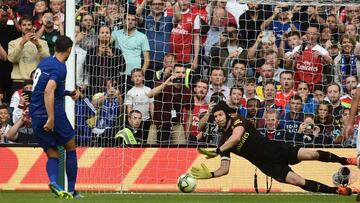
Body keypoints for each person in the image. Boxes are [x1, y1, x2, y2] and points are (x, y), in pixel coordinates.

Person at [191, 101, 355, 196]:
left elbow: (236, 138)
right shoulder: (223, 141)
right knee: (297, 181)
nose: (218, 118)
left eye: (220, 115)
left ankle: (346, 160)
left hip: (275, 149)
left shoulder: (237, 121)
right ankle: (337, 190)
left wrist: (217, 151)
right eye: (215, 116)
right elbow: (225, 168)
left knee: (310, 153)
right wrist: (211, 174)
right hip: (267, 166)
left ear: (227, 114)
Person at [29, 36, 81, 199]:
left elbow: (43, 87)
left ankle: (54, 182)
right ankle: (72, 191)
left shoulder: (45, 62)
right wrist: (51, 118)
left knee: (52, 153)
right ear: (69, 50)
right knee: (71, 147)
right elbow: (49, 91)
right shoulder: (60, 68)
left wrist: (66, 93)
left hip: (35, 112)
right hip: (51, 112)